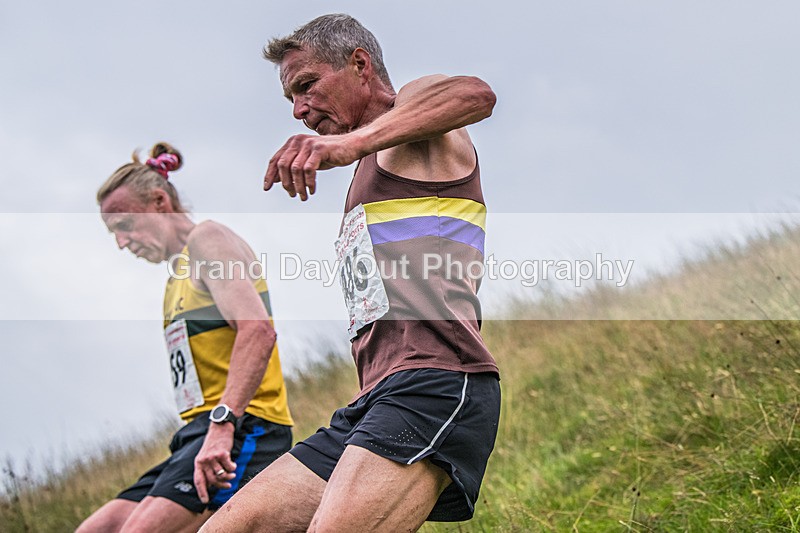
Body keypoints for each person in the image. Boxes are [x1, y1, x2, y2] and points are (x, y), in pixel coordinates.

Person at [201, 13, 500, 532]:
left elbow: (475, 94)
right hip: (373, 400)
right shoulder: (370, 161)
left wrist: (347, 145)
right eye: (291, 99)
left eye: (307, 85)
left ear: (359, 64)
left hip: (438, 384)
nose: (299, 109)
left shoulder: (417, 115)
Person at [78, 142, 294, 532]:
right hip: (196, 431)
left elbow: (258, 330)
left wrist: (223, 425)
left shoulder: (207, 239)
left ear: (160, 202)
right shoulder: (176, 275)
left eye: (124, 226)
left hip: (245, 427)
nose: (122, 243)